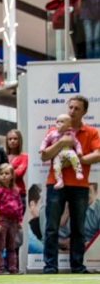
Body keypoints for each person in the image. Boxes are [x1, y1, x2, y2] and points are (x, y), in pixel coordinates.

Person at [41, 96, 100, 274]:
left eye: (77, 108)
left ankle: (78, 266)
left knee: (78, 228)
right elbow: (44, 156)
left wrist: (76, 159)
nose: (72, 111)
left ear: (84, 112)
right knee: (52, 227)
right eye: (71, 107)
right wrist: (61, 143)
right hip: (55, 184)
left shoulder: (91, 132)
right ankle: (50, 266)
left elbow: (97, 155)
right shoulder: (54, 130)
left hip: (80, 185)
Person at [0, 163, 23, 274]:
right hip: (2, 220)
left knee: (12, 246)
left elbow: (19, 205)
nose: (4, 176)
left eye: (7, 173)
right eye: (1, 174)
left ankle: (12, 268)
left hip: (13, 221)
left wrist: (19, 220)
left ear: (12, 176)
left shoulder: (15, 190)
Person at [40, 114, 84, 189]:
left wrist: (79, 151)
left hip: (68, 150)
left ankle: (78, 171)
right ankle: (59, 180)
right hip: (57, 154)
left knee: (74, 157)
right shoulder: (52, 133)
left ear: (69, 125)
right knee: (56, 165)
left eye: (62, 122)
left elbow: (77, 143)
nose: (59, 123)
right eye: (57, 122)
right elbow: (45, 140)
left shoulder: (71, 134)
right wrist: (42, 148)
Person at [6, 129, 28, 208]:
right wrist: (14, 170)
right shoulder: (3, 155)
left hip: (19, 193)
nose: (12, 141)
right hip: (4, 194)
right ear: (7, 141)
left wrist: (4, 173)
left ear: (20, 140)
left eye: (15, 139)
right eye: (10, 139)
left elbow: (20, 173)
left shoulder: (24, 156)